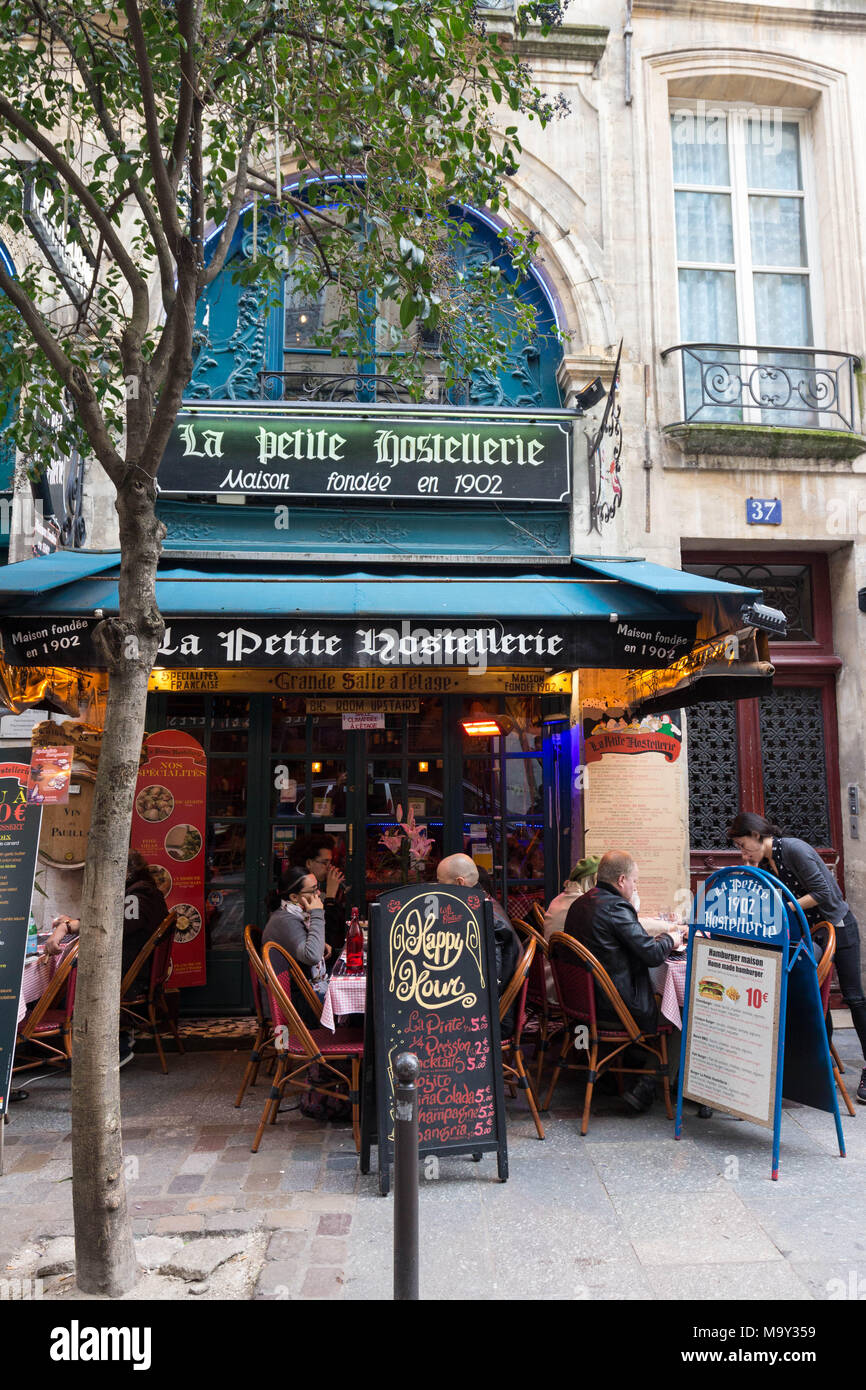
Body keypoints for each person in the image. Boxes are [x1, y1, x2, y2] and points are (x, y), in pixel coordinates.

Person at [728, 811, 866, 1104]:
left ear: (756, 835)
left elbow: (824, 892)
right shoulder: (766, 862)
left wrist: (785, 907)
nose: (742, 852)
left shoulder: (793, 849)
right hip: (811, 934)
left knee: (854, 998)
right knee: (813, 992)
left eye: (742, 845)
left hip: (838, 926)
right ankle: (821, 1061)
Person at [564, 850, 685, 1112]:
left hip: (584, 1005)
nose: (635, 886)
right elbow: (652, 955)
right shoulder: (616, 907)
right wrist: (671, 938)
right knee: (679, 1015)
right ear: (621, 880)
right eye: (635, 881)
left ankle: (622, 1070)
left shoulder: (580, 904)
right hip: (615, 1007)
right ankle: (647, 1084)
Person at [44, 851, 169, 1067]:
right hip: (136, 971)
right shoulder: (145, 894)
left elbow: (109, 927)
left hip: (130, 976)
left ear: (125, 871)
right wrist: (74, 923)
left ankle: (115, 1045)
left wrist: (69, 926)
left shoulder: (137, 896)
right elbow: (108, 920)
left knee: (74, 980)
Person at [436, 853, 521, 1032]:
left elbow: (491, 982)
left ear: (460, 883)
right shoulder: (480, 905)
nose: (437, 889)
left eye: (441, 883)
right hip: (486, 1007)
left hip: (491, 1018)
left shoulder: (485, 918)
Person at [262, 865, 331, 1030]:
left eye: (318, 888)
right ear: (294, 896)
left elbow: (306, 947)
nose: (318, 894)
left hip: (301, 993)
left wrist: (318, 941)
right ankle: (341, 1048)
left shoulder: (290, 914)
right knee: (357, 1009)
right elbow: (312, 956)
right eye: (313, 891)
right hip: (292, 1004)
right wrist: (317, 913)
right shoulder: (284, 920)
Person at [541, 855, 602, 1001]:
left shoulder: (560, 898)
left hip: (550, 975)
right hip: (566, 986)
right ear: (594, 880)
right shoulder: (583, 905)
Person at [290, 833, 346, 956]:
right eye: (325, 863)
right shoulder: (301, 894)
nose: (329, 868)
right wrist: (331, 895)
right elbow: (326, 939)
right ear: (309, 863)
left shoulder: (315, 889)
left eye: (330, 863)